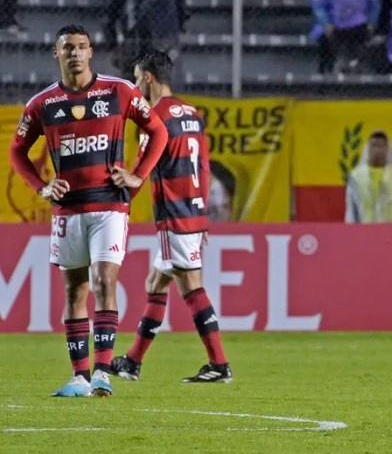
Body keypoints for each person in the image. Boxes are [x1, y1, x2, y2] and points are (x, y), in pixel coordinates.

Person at [8, 25, 168, 397]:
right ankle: (79, 377)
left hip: (110, 205)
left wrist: (138, 176)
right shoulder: (43, 103)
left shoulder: (118, 91)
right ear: (56, 53)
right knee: (74, 290)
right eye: (67, 48)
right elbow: (17, 151)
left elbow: (157, 130)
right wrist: (41, 186)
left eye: (81, 47)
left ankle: (103, 372)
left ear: (91, 51)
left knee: (104, 281)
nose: (75, 53)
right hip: (67, 209)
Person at [110, 50, 232, 383]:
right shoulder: (191, 113)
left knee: (192, 286)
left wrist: (121, 196)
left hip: (174, 214)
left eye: (137, 78)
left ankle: (220, 365)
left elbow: (142, 170)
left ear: (148, 77)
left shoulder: (154, 117)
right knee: (156, 283)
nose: (135, 85)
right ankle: (133, 361)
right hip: (193, 210)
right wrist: (202, 212)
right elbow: (204, 166)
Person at [345, 130, 392, 223]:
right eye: (374, 145)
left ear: (387, 148)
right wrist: (350, 232)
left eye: (381, 145)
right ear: (367, 148)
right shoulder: (356, 176)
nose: (378, 149)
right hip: (365, 231)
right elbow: (351, 209)